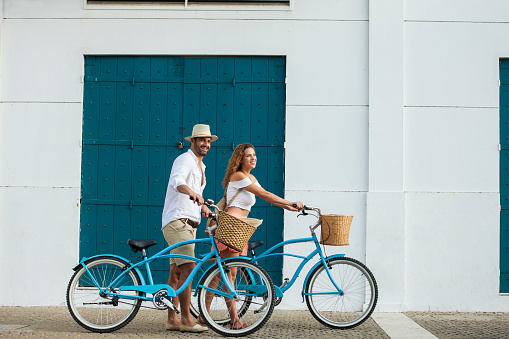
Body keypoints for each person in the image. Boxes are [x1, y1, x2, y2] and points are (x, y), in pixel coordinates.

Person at [198, 143, 304, 329]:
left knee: (220, 273)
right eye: (248, 155)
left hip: (239, 229)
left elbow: (267, 195)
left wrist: (290, 206)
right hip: (231, 227)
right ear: (240, 159)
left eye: (254, 155)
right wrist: (289, 203)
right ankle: (234, 320)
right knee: (229, 273)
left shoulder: (250, 177)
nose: (253, 158)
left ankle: (202, 316)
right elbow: (263, 194)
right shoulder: (238, 176)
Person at [161, 124, 217, 333]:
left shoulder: (201, 166)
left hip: (190, 223)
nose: (206, 144)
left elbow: (194, 195)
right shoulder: (184, 160)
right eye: (202, 140)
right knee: (188, 268)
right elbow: (177, 182)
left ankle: (171, 319)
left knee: (176, 272)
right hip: (178, 221)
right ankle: (186, 319)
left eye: (209, 141)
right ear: (192, 141)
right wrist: (191, 192)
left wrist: (202, 206)